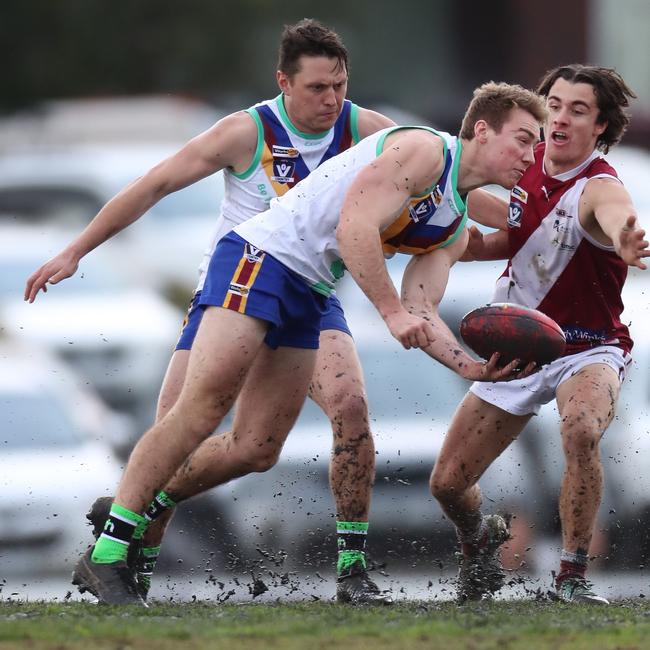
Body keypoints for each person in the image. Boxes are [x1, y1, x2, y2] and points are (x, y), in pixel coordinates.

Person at [26, 79, 546, 606]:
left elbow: (421, 309)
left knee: (257, 447)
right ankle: (109, 555)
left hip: (311, 288)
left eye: (537, 144)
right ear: (482, 129)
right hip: (261, 260)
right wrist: (388, 311)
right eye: (524, 139)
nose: (531, 154)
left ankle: (128, 508)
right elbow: (354, 228)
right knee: (201, 410)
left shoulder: (452, 224)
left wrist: (471, 367)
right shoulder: (423, 148)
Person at [25, 19, 401, 605]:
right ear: (283, 81)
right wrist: (76, 251)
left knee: (321, 420)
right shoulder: (246, 131)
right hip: (235, 292)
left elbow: (448, 171)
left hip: (311, 297)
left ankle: (352, 569)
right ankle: (129, 574)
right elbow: (153, 185)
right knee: (180, 427)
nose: (332, 100)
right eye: (317, 88)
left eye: (340, 86)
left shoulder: (367, 129)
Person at [430, 64, 649, 604]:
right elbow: (509, 238)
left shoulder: (599, 185)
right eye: (553, 104)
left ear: (600, 127)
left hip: (589, 347)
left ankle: (571, 580)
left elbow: (616, 214)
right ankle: (481, 543)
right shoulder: (523, 170)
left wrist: (627, 239)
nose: (560, 117)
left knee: (579, 432)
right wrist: (435, 238)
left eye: (577, 110)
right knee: (448, 484)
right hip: (521, 347)